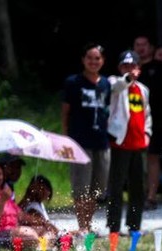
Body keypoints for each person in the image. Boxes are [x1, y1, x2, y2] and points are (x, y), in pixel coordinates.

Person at [62, 42, 111, 233]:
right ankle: (82, 226)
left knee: (97, 190)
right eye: (89, 57)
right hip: (80, 143)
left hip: (102, 142)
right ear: (83, 60)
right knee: (81, 188)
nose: (93, 61)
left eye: (97, 58)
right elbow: (65, 113)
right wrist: (66, 140)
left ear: (103, 61)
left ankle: (88, 225)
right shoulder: (73, 83)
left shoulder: (106, 84)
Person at [106, 50, 152, 236]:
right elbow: (115, 87)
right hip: (120, 143)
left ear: (138, 68)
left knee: (137, 188)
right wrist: (126, 78)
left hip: (138, 144)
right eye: (125, 66)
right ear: (120, 68)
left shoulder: (143, 89)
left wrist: (147, 133)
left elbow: (147, 114)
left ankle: (134, 225)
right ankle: (114, 227)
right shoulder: (114, 83)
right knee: (116, 187)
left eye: (133, 65)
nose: (130, 69)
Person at [133, 35, 162, 210]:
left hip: (155, 120)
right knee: (134, 159)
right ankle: (136, 194)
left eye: (144, 45)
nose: (141, 48)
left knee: (152, 157)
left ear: (151, 47)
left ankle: (151, 196)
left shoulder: (161, 68)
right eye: (137, 45)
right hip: (132, 120)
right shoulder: (129, 70)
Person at [0, 161, 50, 244]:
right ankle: (41, 248)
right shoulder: (3, 196)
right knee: (29, 234)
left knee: (42, 229)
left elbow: (21, 216)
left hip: (14, 231)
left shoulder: (4, 193)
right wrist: (2, 201)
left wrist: (44, 222)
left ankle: (47, 249)